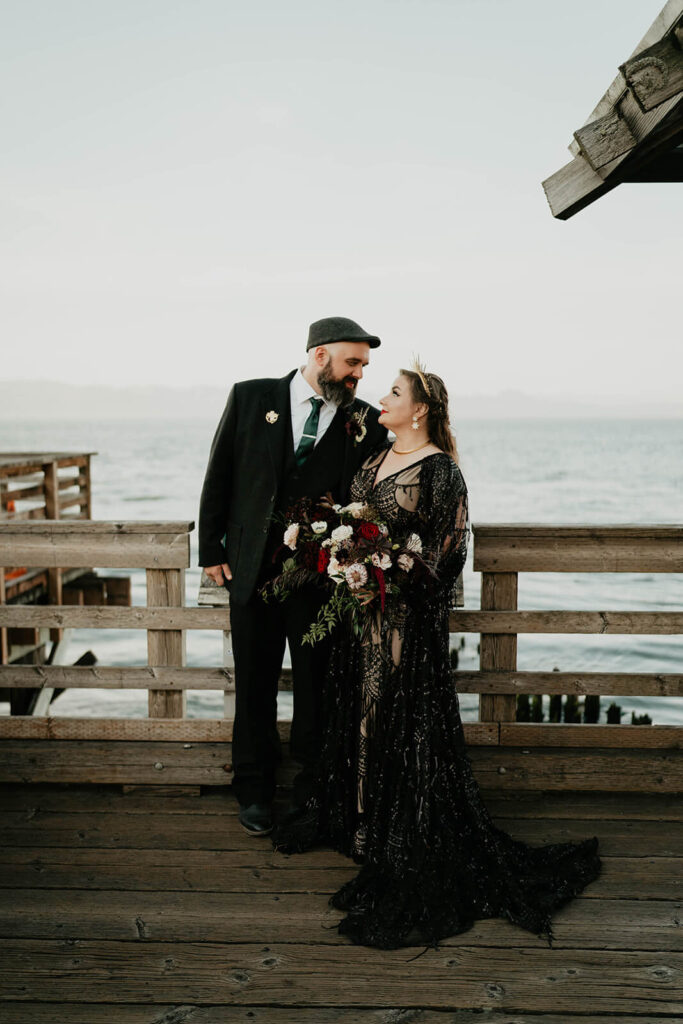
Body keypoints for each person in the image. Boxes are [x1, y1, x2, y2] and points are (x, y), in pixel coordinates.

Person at [272, 363, 602, 949]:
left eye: (394, 392)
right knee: (361, 712)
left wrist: (395, 582)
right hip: (360, 615)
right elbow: (356, 524)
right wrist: (345, 562)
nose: (382, 398)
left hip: (406, 621)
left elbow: (449, 553)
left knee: (397, 714)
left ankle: (396, 828)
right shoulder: (373, 460)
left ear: (420, 408)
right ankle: (360, 819)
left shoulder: (441, 470)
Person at [198, 316, 387, 837]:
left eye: (365, 367)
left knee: (317, 692)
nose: (359, 376)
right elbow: (220, 474)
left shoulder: (365, 421)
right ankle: (254, 792)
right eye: (353, 363)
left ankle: (313, 791)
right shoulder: (250, 396)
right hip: (251, 571)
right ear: (320, 355)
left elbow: (366, 502)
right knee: (254, 687)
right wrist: (209, 547)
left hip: (320, 581)